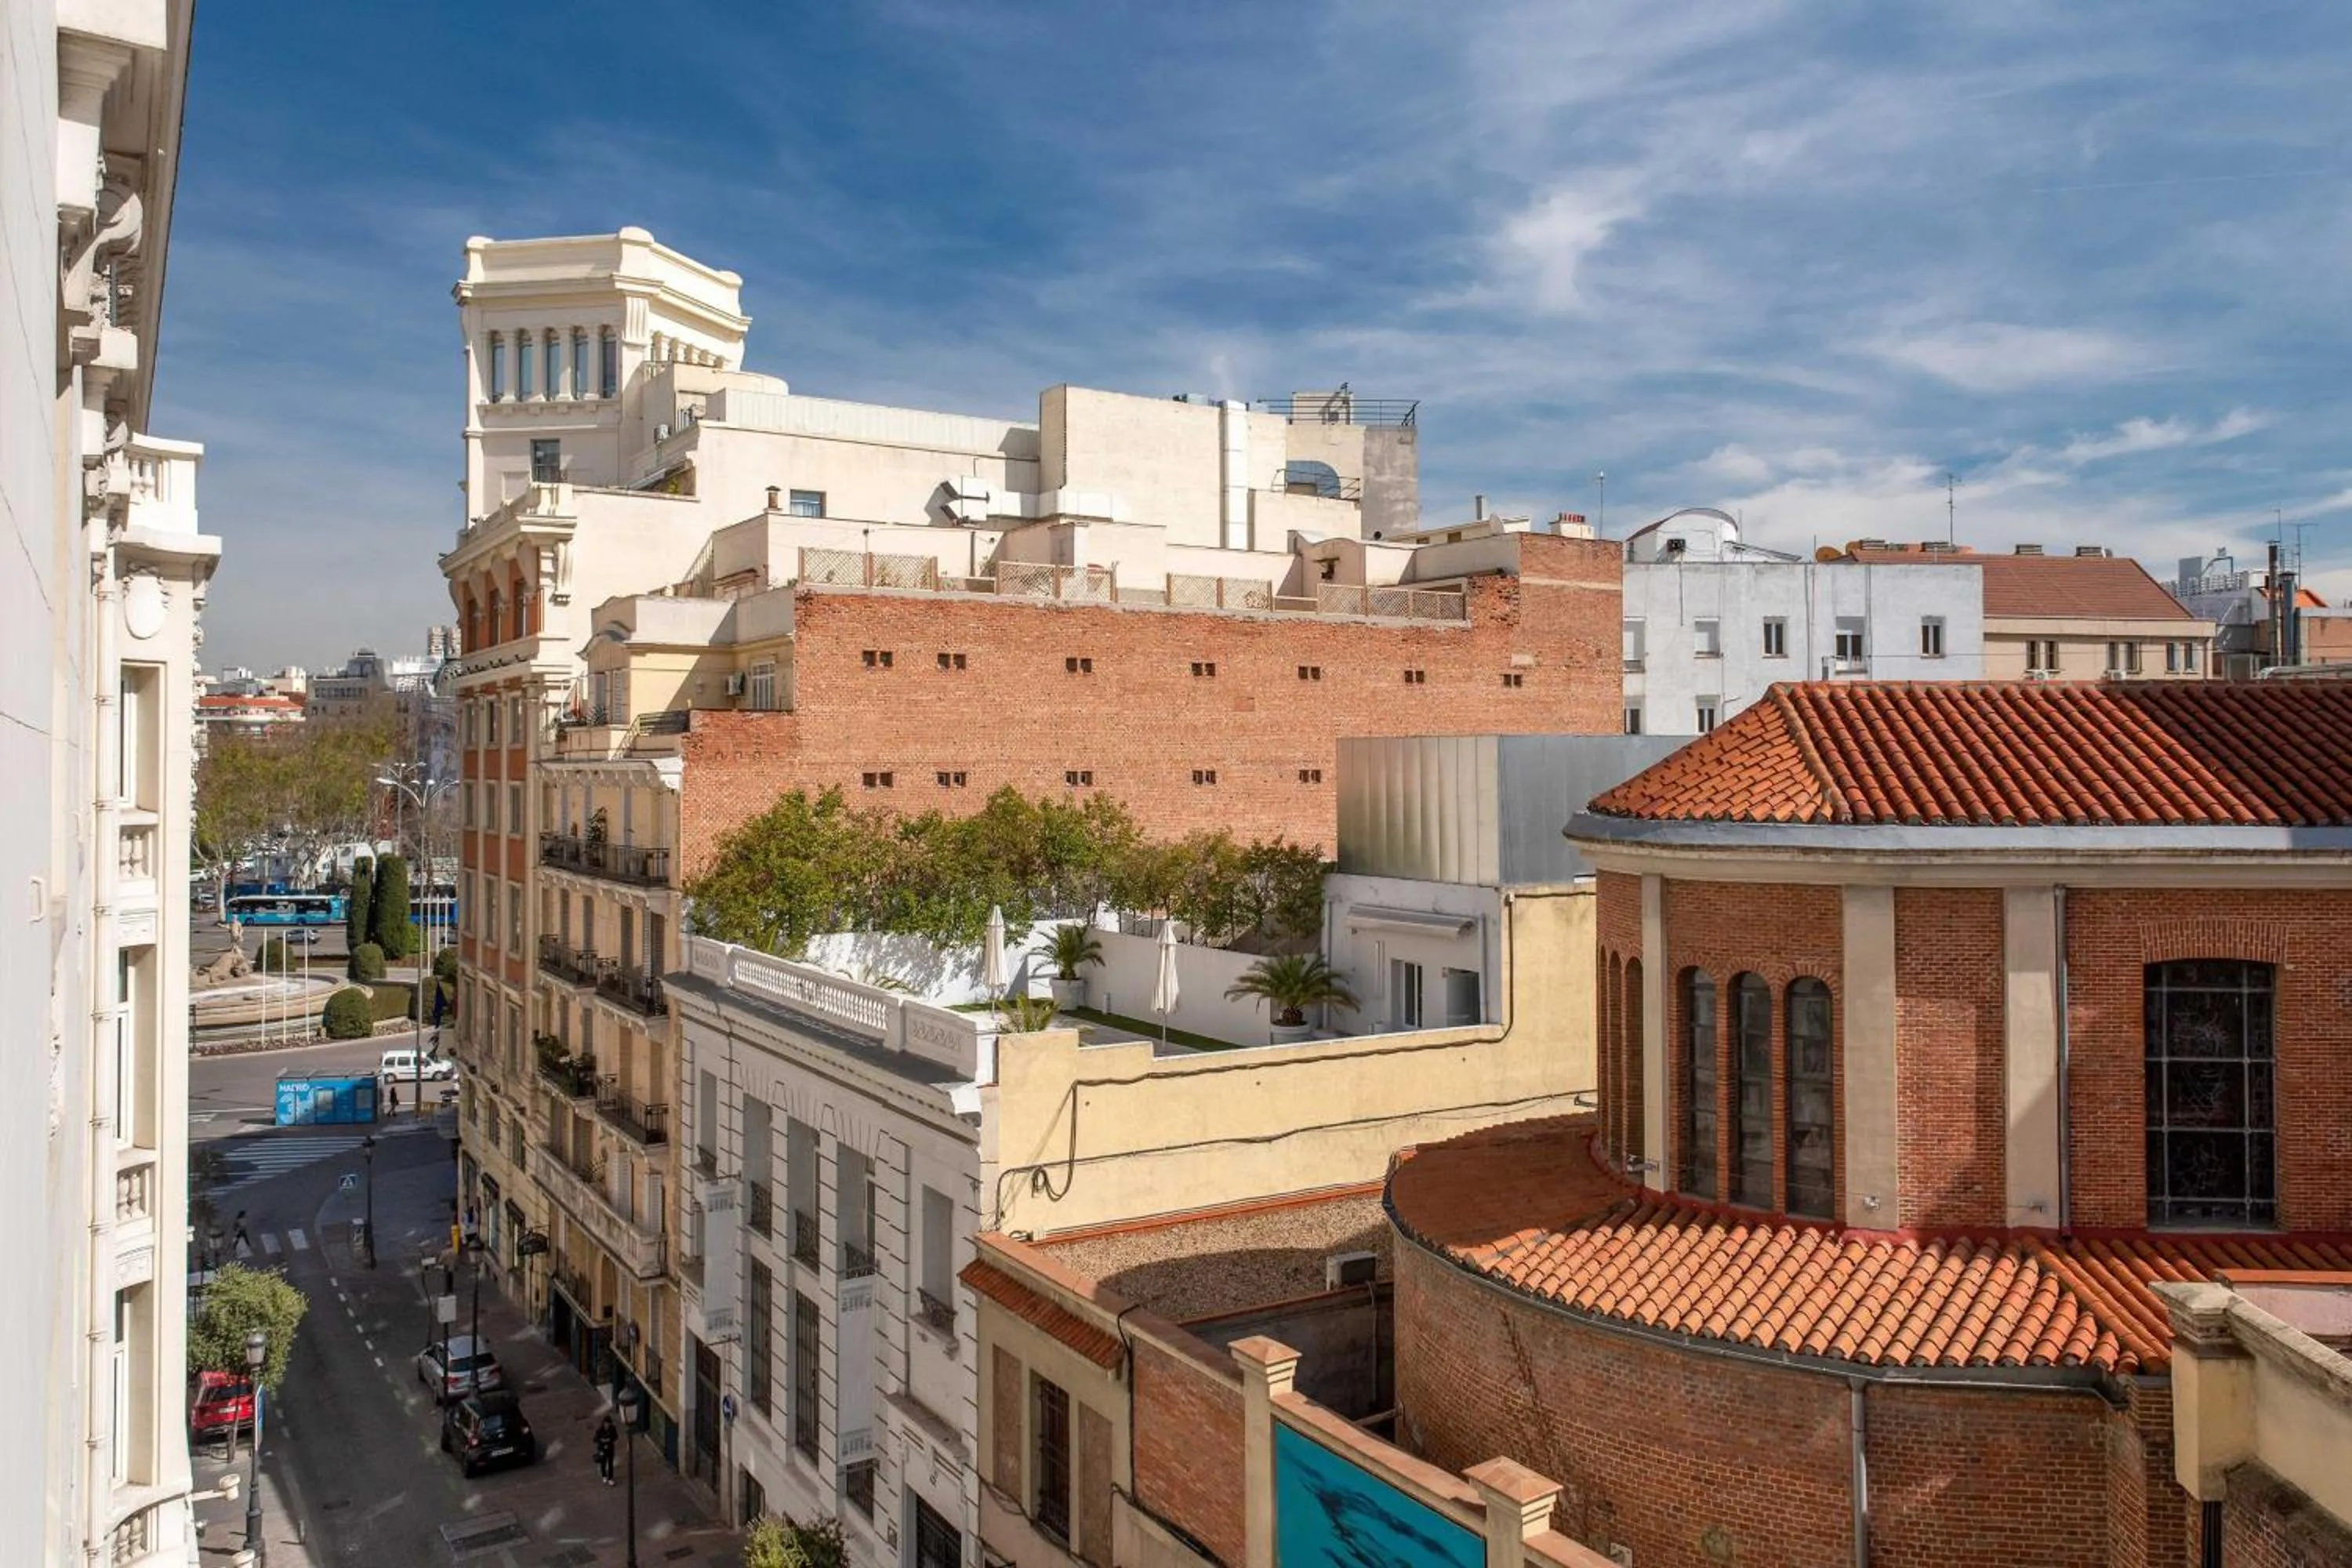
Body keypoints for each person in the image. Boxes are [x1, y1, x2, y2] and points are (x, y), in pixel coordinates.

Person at [593, 1413, 618, 1486]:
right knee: (603, 1463)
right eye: (605, 1423)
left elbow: (616, 1437)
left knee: (610, 1463)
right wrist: (601, 1440)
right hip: (602, 1449)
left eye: (608, 1424)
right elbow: (595, 1439)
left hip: (610, 1448)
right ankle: (604, 1475)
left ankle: (610, 1478)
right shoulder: (600, 1430)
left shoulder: (612, 1428)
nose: (607, 1425)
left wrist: (610, 1440)